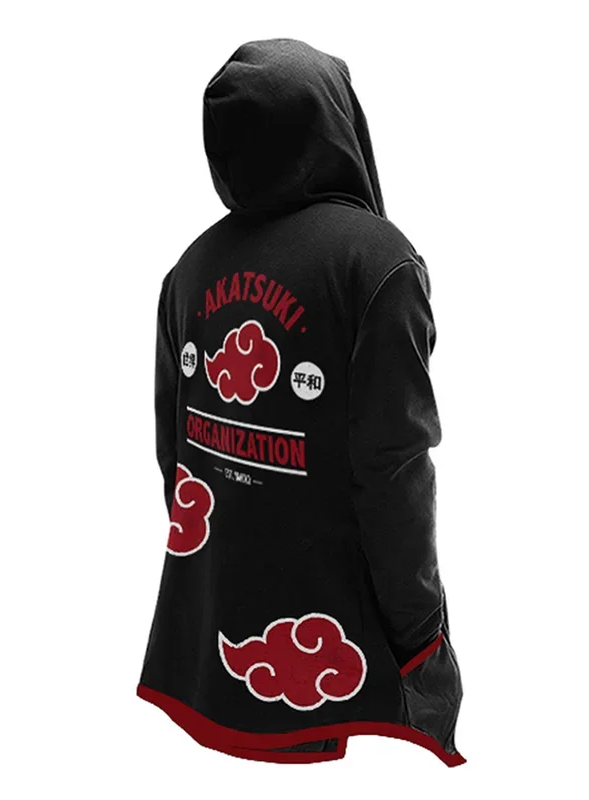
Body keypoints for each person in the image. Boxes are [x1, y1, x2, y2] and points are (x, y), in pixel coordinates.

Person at [137, 37, 465, 766]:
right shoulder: (377, 262)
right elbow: (394, 470)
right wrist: (422, 639)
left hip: (211, 651)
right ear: (338, 121)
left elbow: (175, 462)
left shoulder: (188, 270)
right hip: (352, 662)